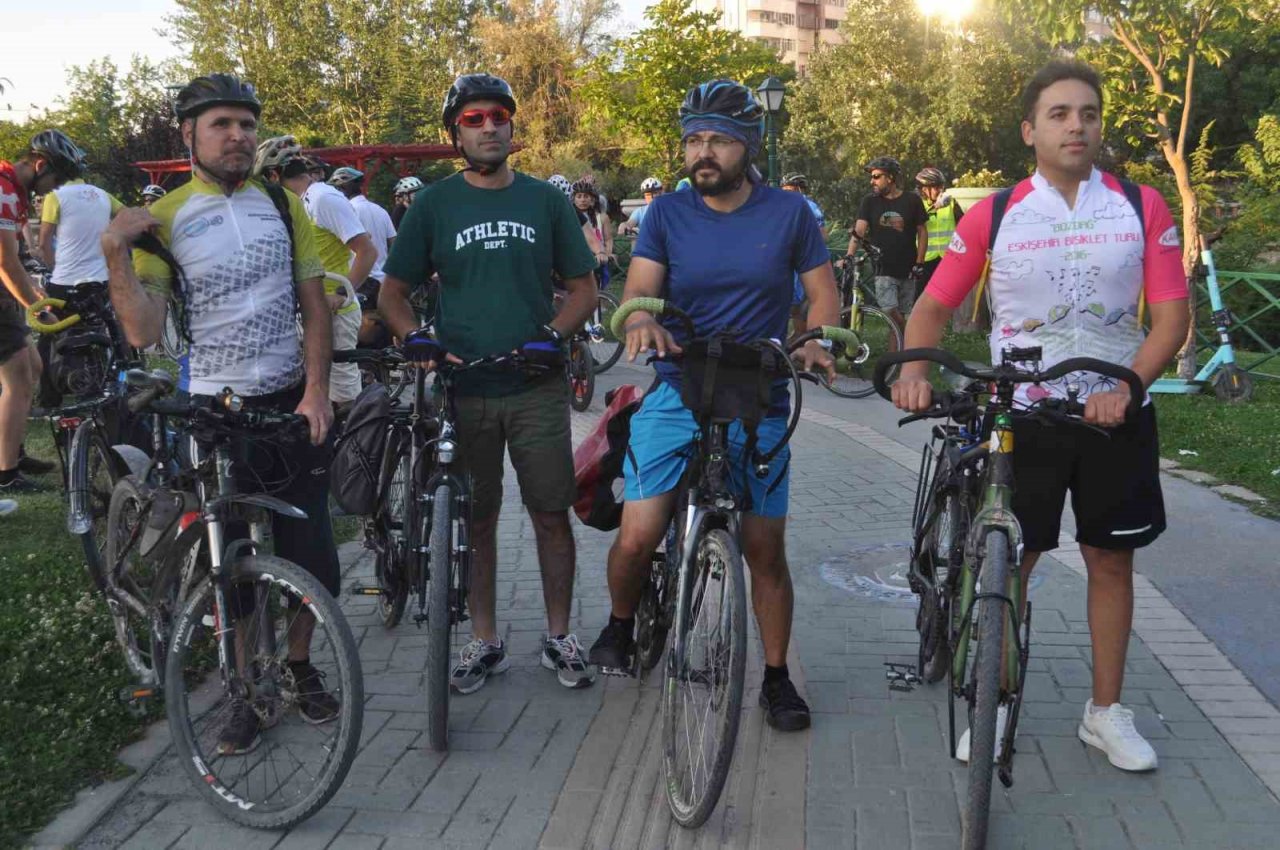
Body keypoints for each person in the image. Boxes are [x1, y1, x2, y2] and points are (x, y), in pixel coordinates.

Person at [892, 59, 1190, 773]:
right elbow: (932, 307)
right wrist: (914, 371)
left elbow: (1172, 319)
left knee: (1109, 560)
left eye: (1088, 113)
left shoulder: (1141, 205)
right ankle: (992, 705)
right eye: (1059, 114)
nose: (1075, 126)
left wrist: (1128, 387)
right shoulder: (995, 214)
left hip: (1115, 414)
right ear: (1030, 130)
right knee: (1011, 562)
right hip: (1021, 415)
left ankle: (1105, 713)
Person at [586, 79, 840, 733]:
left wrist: (815, 339)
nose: (703, 152)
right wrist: (641, 319)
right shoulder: (667, 214)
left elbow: (822, 293)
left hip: (760, 389)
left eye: (719, 140)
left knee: (764, 548)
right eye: (693, 139)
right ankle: (620, 623)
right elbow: (638, 292)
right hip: (680, 383)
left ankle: (776, 679)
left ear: (747, 146)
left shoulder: (790, 214)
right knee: (639, 534)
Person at [102, 73, 342, 754]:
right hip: (215, 408)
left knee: (313, 556)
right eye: (221, 125)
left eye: (246, 124)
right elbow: (143, 330)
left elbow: (314, 304)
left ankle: (298, 664)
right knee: (227, 561)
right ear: (190, 135)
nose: (237, 136)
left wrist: (317, 390)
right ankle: (244, 687)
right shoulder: (166, 215)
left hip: (288, 398)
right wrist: (116, 252)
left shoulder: (280, 202)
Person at [379, 73, 601, 693]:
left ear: (511, 126)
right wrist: (414, 336)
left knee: (550, 513)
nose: (488, 127)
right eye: (473, 119)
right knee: (476, 519)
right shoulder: (434, 205)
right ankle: (484, 639)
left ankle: (559, 636)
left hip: (535, 385)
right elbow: (393, 293)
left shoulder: (545, 201)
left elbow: (585, 289)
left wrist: (554, 334)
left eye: (498, 116)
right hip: (464, 387)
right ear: (456, 133)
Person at [254, 137, 377, 406]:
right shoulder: (299, 202)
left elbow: (367, 251)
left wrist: (341, 293)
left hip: (336, 311)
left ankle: (358, 432)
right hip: (312, 311)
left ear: (273, 176)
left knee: (343, 397)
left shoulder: (323, 198)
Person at [0, 130, 82, 494]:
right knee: (19, 378)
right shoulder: (3, 189)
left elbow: (14, 263)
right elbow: (5, 262)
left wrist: (35, 294)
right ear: (40, 165)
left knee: (33, 367)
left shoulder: (12, 190)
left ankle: (11, 451)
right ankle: (6, 474)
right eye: (57, 179)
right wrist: (37, 308)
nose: (55, 188)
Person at [37, 173, 127, 408]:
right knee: (100, 328)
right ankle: (100, 387)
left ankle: (49, 397)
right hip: (99, 279)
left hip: (65, 282)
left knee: (49, 333)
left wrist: (52, 268)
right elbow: (128, 216)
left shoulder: (55, 196)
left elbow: (44, 242)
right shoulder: (102, 195)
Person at [849, 156, 928, 330]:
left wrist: (920, 262)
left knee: (903, 314)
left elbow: (922, 232)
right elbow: (859, 231)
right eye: (872, 177)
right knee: (889, 310)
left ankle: (901, 346)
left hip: (908, 269)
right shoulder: (869, 201)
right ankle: (909, 333)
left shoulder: (912, 200)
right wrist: (849, 255)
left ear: (890, 177)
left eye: (876, 176)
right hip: (883, 268)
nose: (872, 181)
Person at [328, 166, 396, 298]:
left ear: (341, 189)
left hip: (360, 281)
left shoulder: (347, 211)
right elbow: (394, 243)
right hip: (383, 281)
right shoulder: (380, 210)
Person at [781, 172, 830, 333]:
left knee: (800, 307)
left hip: (804, 264)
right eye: (784, 190)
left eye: (790, 190)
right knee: (793, 308)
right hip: (788, 262)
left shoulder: (809, 206)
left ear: (800, 190)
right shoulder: (783, 207)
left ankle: (801, 339)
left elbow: (823, 235)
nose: (786, 194)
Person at [914, 167, 963, 285]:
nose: (941, 191)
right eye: (937, 188)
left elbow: (964, 224)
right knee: (921, 293)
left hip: (947, 260)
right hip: (925, 260)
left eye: (942, 187)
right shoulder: (916, 204)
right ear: (924, 189)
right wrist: (935, 207)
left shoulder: (951, 203)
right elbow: (913, 223)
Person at [572, 179, 613, 287]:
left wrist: (607, 253)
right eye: (579, 196)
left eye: (586, 196)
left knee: (598, 287)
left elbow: (608, 239)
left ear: (592, 199)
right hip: (577, 258)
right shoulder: (570, 216)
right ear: (574, 199)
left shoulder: (602, 217)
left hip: (597, 258)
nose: (582, 200)